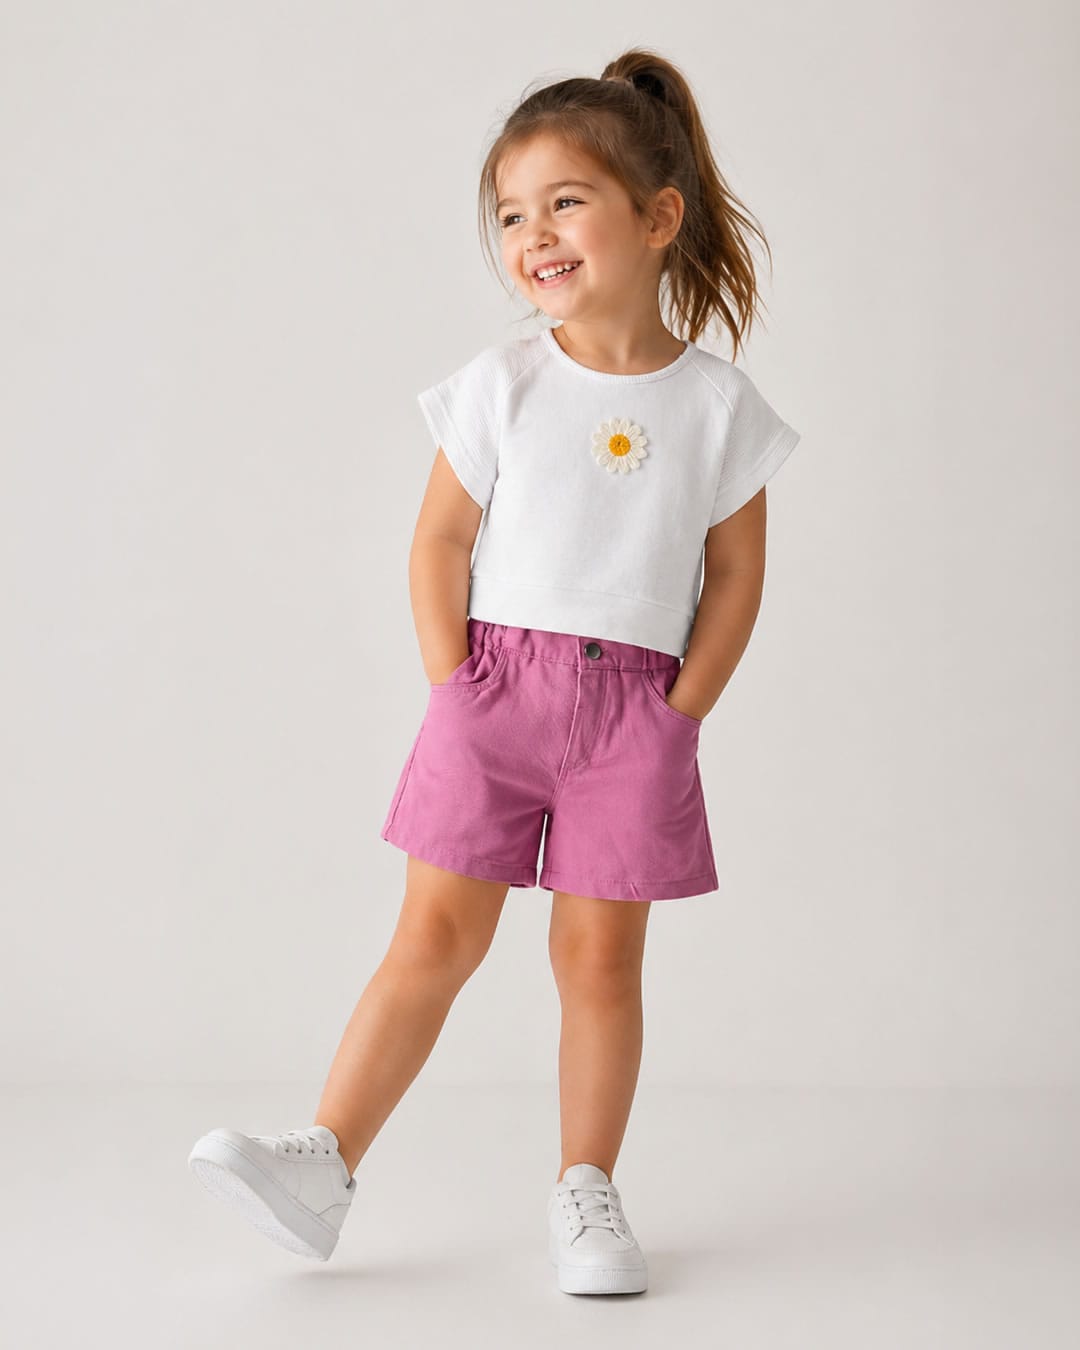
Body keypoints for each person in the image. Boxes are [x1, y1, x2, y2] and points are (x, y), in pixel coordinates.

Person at [188, 46, 803, 1297]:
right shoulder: (501, 384)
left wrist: (680, 713)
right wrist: (453, 680)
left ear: (658, 217)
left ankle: (587, 1190)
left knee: (599, 963)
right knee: (433, 935)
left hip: (636, 711)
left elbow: (736, 575)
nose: (534, 235)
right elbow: (439, 542)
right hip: (493, 694)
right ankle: (326, 1161)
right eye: (512, 215)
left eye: (565, 201)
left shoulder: (717, 405)